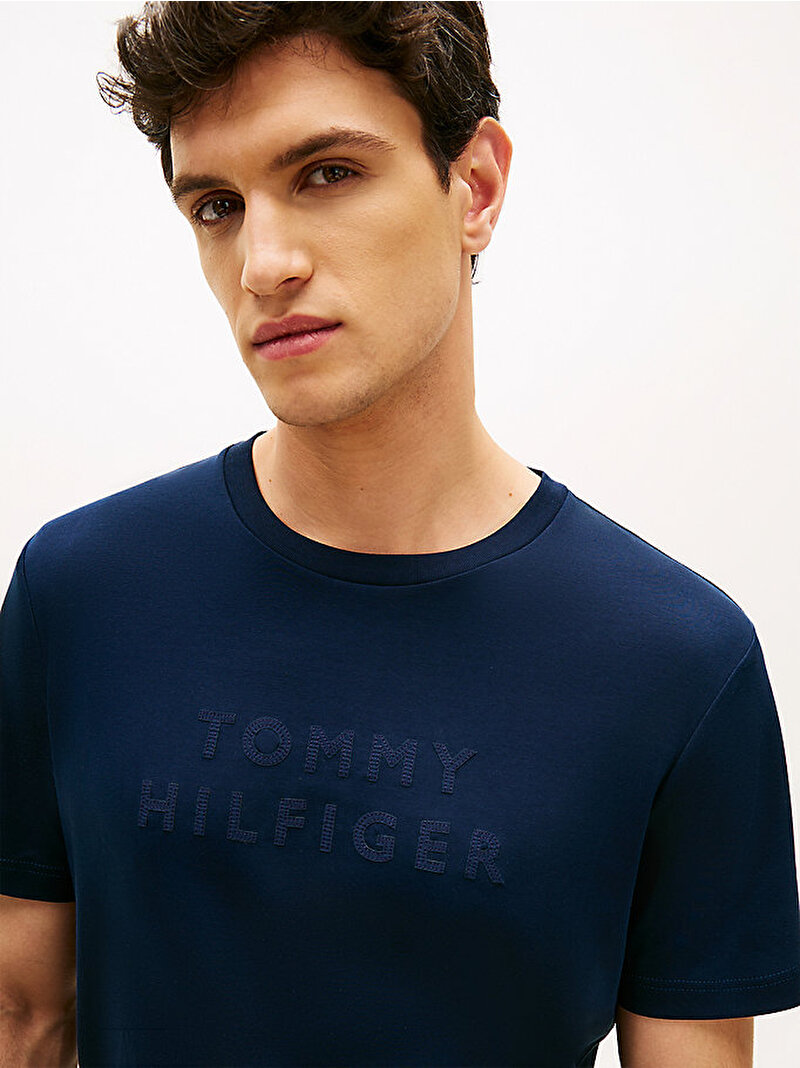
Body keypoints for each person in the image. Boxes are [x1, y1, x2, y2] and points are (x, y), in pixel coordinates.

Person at [1, 2, 798, 1065]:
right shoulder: (82, 594)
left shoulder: (676, 662)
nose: (264, 263)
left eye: (327, 172)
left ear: (475, 187)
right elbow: (23, 1019)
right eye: (216, 205)